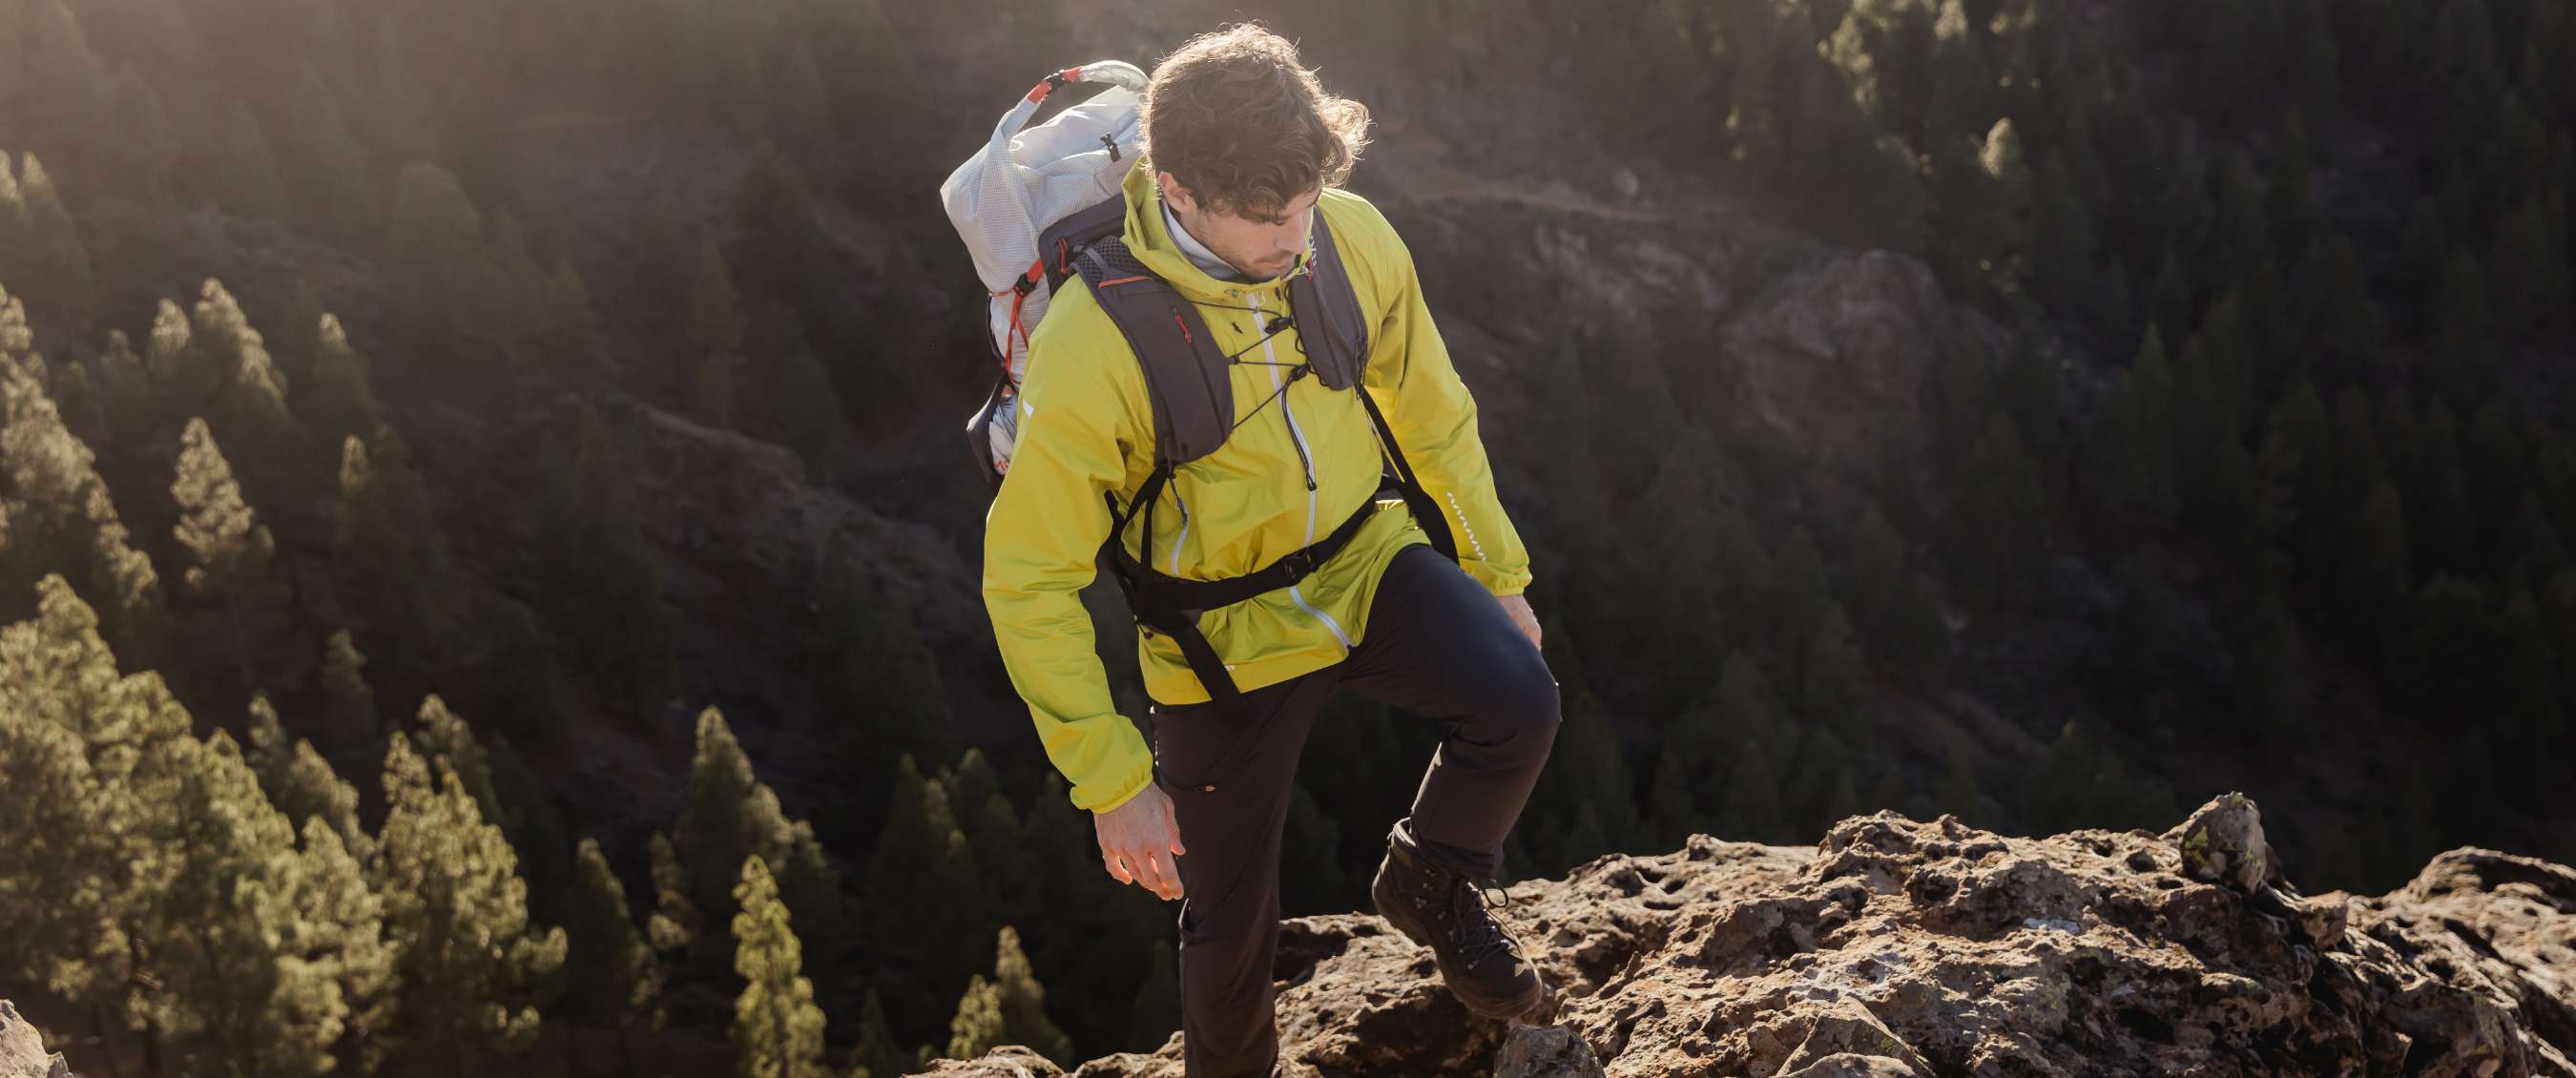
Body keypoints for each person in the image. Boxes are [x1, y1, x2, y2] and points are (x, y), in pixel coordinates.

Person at [979, 23, 1562, 1077]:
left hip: (1363, 557)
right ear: (1178, 189)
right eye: (1266, 218)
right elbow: (1031, 578)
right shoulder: (1096, 341)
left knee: (1520, 697)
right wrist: (1111, 776)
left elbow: (1432, 416)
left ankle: (1429, 878)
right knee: (1228, 921)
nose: (1295, 237)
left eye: (1303, 205)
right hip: (1217, 636)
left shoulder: (1347, 236)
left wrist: (1496, 571)